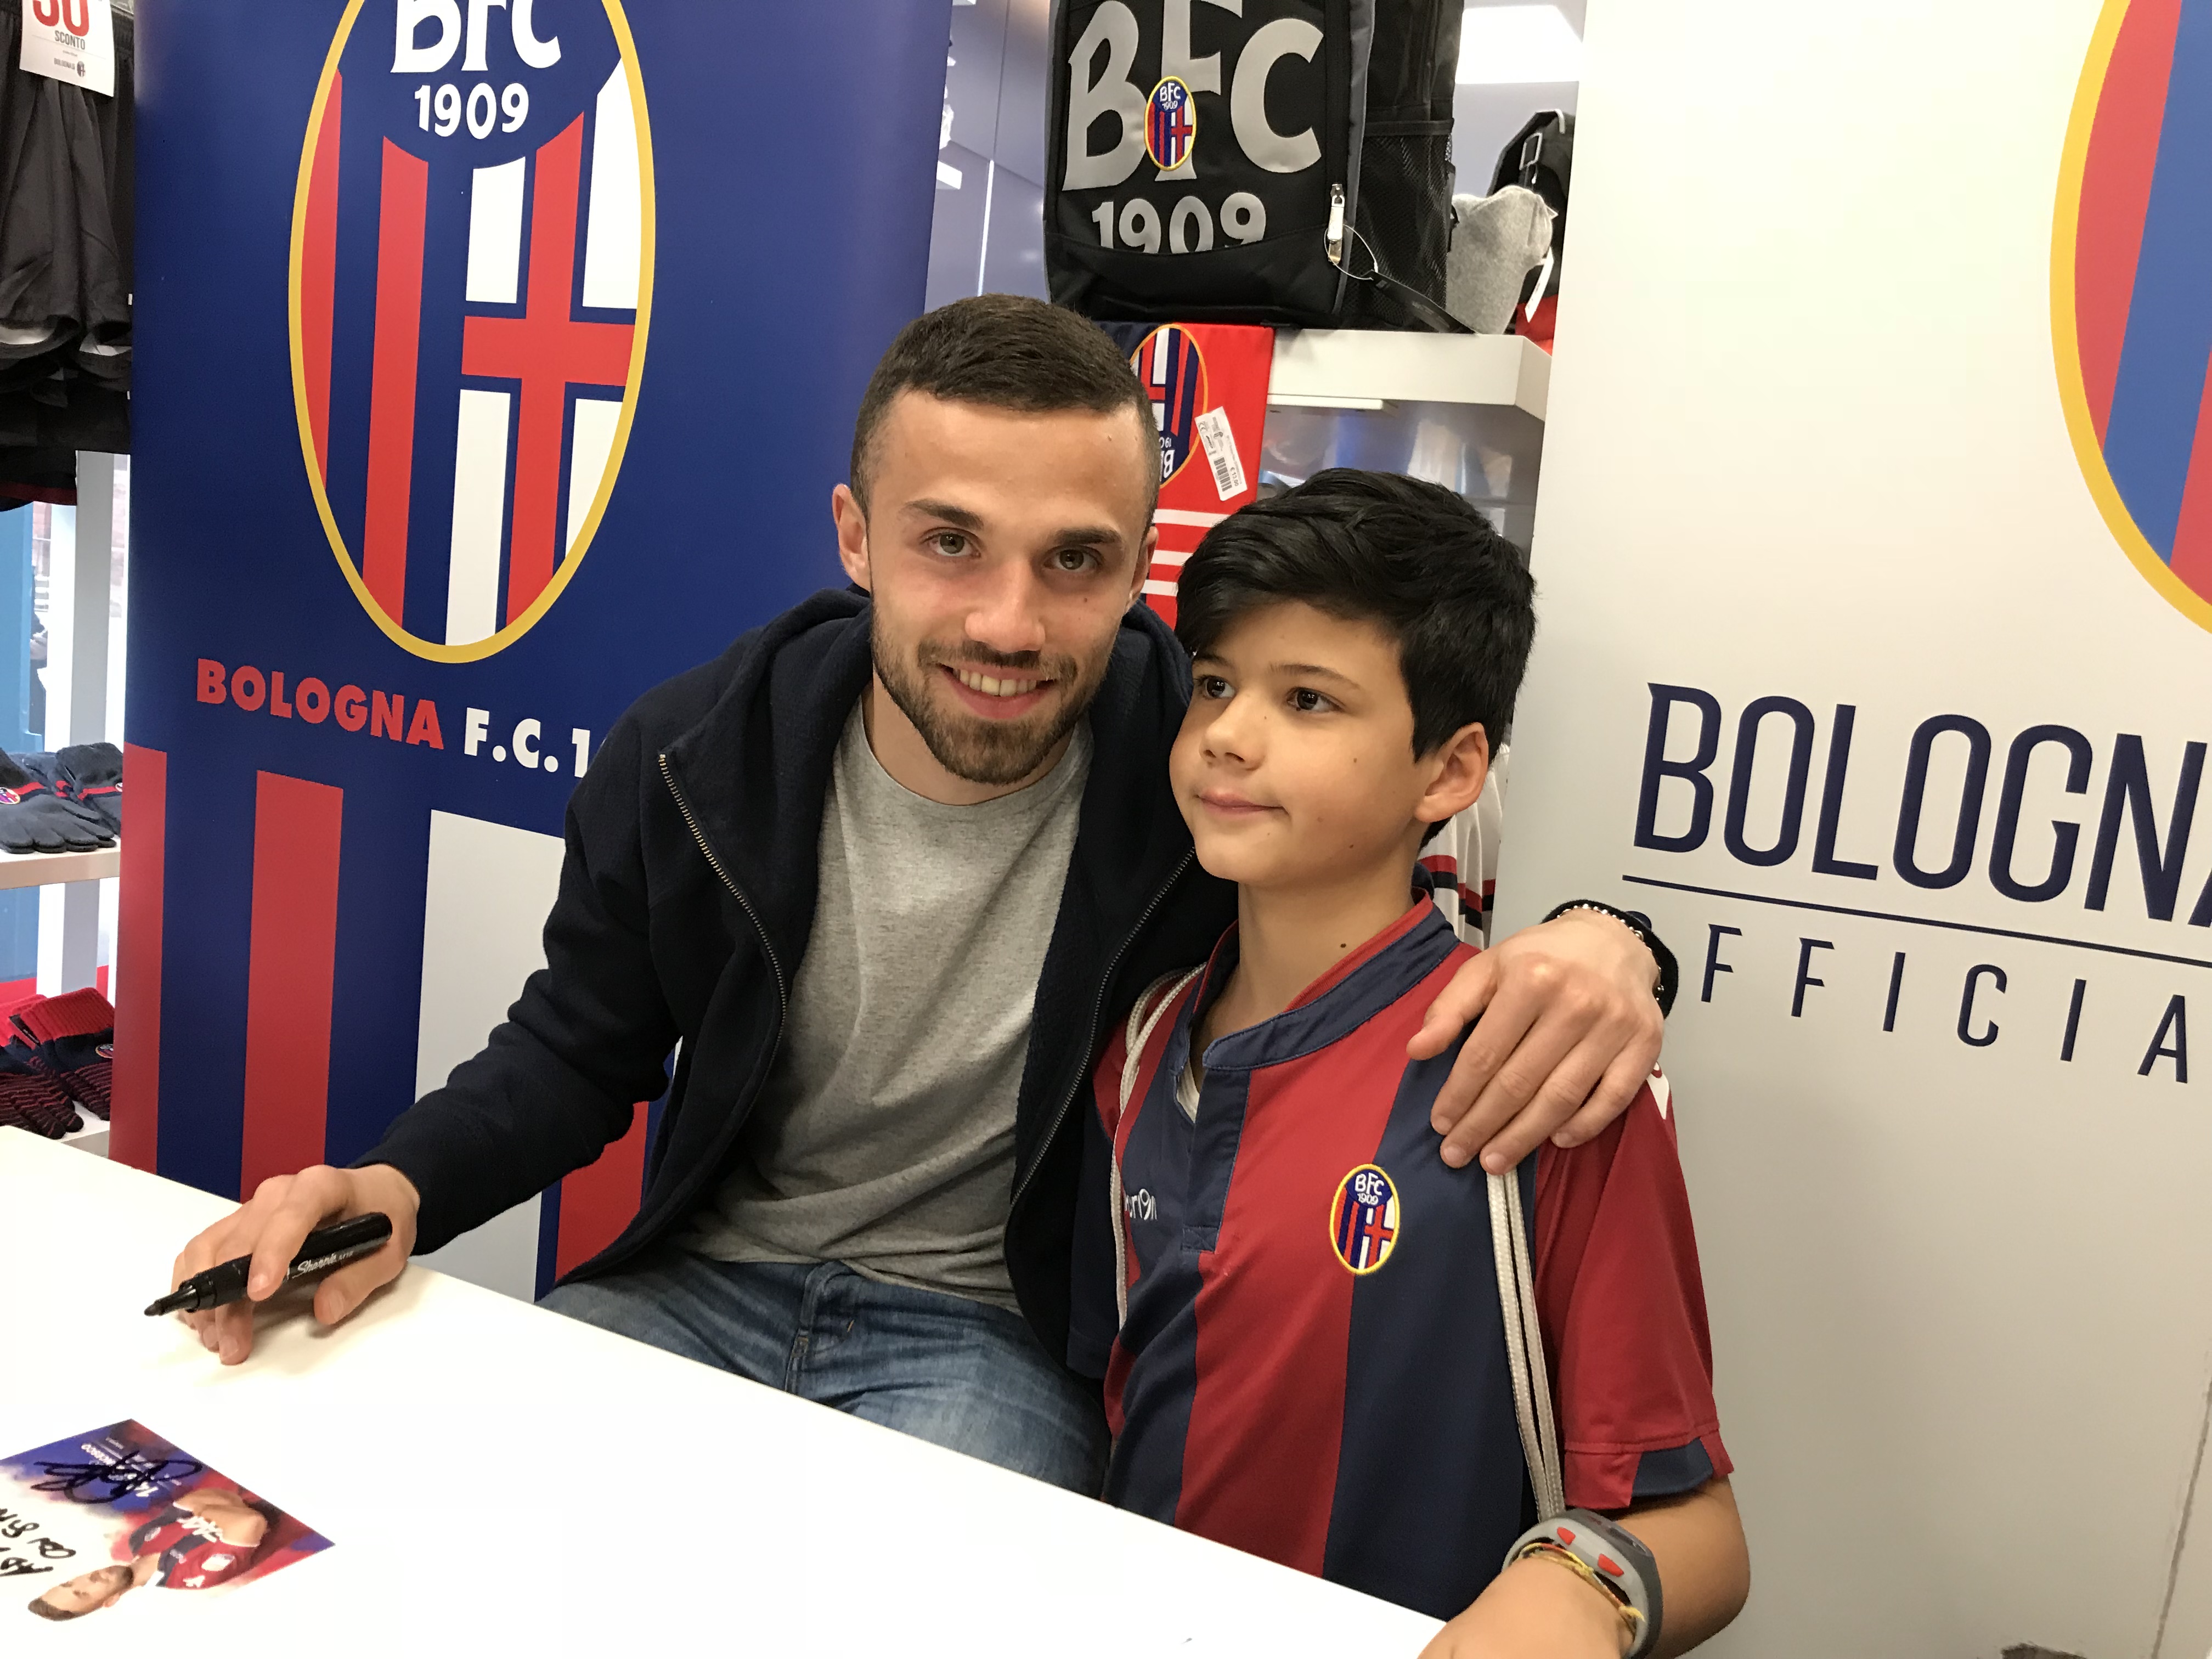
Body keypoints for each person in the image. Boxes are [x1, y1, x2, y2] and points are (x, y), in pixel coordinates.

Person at [168, 296, 1678, 1494]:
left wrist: (1613, 938)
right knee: (459, 1528)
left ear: (1137, 573)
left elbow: (1384, 876)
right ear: (856, 538)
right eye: (950, 544)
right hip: (700, 1284)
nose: (1008, 624)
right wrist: (399, 1186)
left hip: (995, 1338)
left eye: (1075, 561)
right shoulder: (697, 755)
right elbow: (578, 1044)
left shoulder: (1200, 759)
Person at [1080, 472, 1746, 1655]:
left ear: (1447, 771)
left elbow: (1698, 1527)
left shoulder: (1538, 1078)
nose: (1229, 732)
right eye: (1217, 684)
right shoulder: (1137, 1049)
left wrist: (1578, 1590)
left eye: (1309, 700)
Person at [27, 1486, 275, 1620]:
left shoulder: (138, 1540)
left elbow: (208, 1494)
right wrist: (209, 1512)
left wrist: (211, 1512)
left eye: (69, 1583)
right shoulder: (192, 1578)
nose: (88, 1579)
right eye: (82, 1593)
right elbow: (251, 1522)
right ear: (110, 1601)